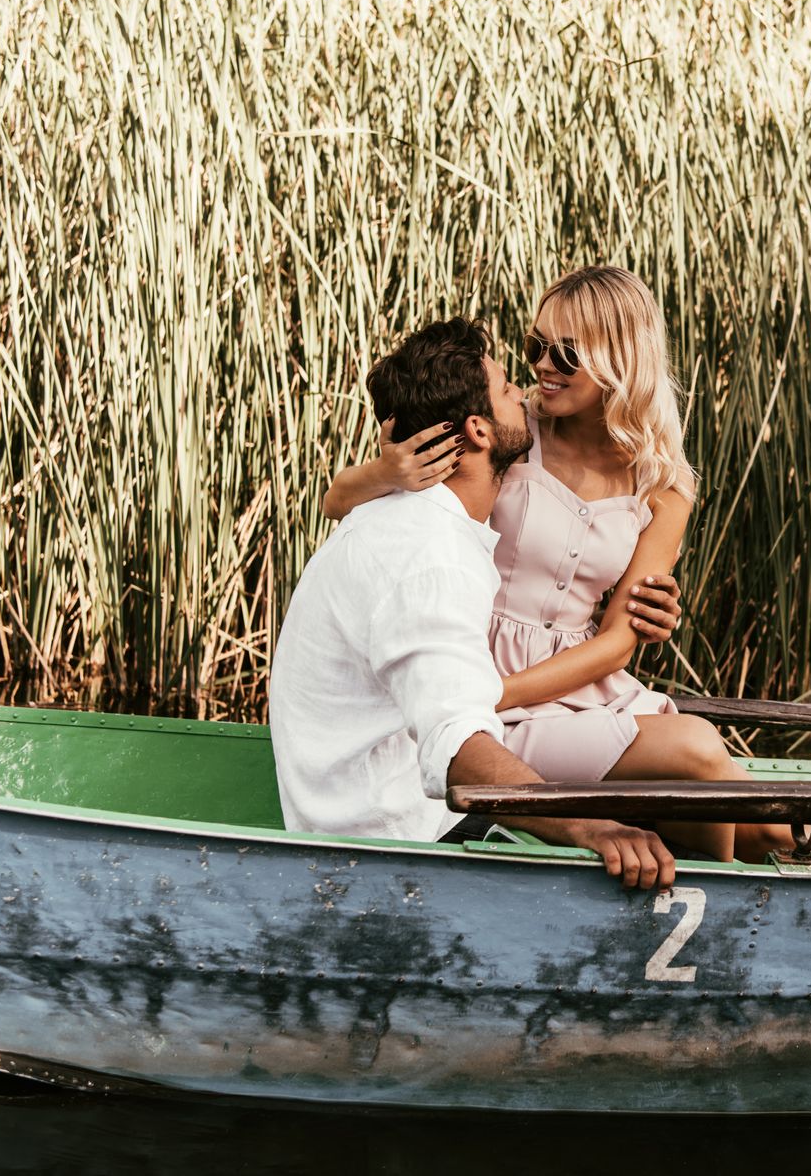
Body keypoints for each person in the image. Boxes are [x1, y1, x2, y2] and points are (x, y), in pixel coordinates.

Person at [323, 265, 811, 868]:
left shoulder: (665, 484)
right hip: (472, 675)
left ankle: (804, 884)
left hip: (580, 683)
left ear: (619, 359)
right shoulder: (511, 429)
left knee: (767, 822)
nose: (543, 366)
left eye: (567, 353)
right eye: (535, 346)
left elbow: (619, 642)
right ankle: (717, 890)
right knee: (701, 754)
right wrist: (384, 472)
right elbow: (340, 505)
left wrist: (496, 694)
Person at [267, 317, 676, 888]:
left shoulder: (405, 518)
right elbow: (457, 746)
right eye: (510, 389)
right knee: (668, 803)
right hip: (395, 837)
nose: (526, 391)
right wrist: (587, 827)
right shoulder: (432, 555)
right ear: (480, 432)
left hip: (377, 806)